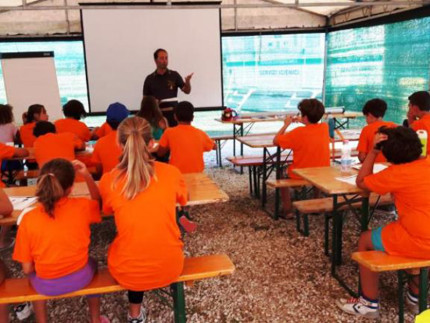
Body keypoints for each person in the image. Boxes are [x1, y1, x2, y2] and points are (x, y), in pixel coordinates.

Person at [99, 117, 187, 323]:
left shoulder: (109, 180)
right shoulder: (171, 173)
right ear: (151, 143)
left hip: (128, 271)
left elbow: (106, 209)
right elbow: (183, 198)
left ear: (119, 144)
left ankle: (135, 314)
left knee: (128, 246)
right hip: (170, 266)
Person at [337, 126, 430, 319]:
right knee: (401, 229)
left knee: (365, 239)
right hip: (421, 231)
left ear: (388, 154)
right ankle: (415, 297)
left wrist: (373, 151)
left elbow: (361, 181)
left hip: (421, 240)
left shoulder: (395, 174)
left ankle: (368, 303)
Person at [12, 158, 108, 323]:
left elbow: (27, 269)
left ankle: (42, 321)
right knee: (95, 264)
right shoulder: (82, 206)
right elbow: (98, 202)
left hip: (45, 284)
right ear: (70, 189)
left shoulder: (28, 219)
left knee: (30, 277)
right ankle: (94, 319)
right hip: (81, 276)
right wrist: (86, 175)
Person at [273, 99, 330, 217]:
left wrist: (286, 124)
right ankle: (316, 204)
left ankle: (287, 210)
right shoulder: (324, 127)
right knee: (316, 167)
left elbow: (276, 141)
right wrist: (303, 120)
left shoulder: (297, 132)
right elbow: (311, 125)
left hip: (301, 173)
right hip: (322, 172)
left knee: (280, 172)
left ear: (305, 117)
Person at [157, 101, 215, 173]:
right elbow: (214, 146)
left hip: (177, 173)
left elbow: (160, 153)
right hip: (197, 173)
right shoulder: (200, 133)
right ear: (192, 118)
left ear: (175, 117)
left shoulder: (169, 132)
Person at [143, 48, 193, 127]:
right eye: (162, 58)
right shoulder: (149, 79)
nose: (165, 60)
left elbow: (187, 91)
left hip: (173, 115)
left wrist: (187, 82)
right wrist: (153, 103)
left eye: (166, 58)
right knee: (160, 138)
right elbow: (145, 101)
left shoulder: (174, 75)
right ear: (155, 61)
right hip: (157, 117)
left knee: (173, 137)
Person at [91, 102, 130, 176]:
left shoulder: (100, 143)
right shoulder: (135, 140)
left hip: (108, 184)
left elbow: (98, 169)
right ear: (127, 121)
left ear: (107, 122)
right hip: (132, 184)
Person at [357, 98, 396, 163]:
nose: (366, 120)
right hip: (391, 166)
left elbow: (362, 156)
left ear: (369, 115)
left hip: (373, 167)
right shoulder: (394, 126)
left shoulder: (366, 129)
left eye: (366, 117)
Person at [407, 91, 430, 155]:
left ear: (415, 108)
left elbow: (407, 144)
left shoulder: (418, 124)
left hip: (425, 162)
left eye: (409, 106)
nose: (408, 109)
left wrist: (410, 118)